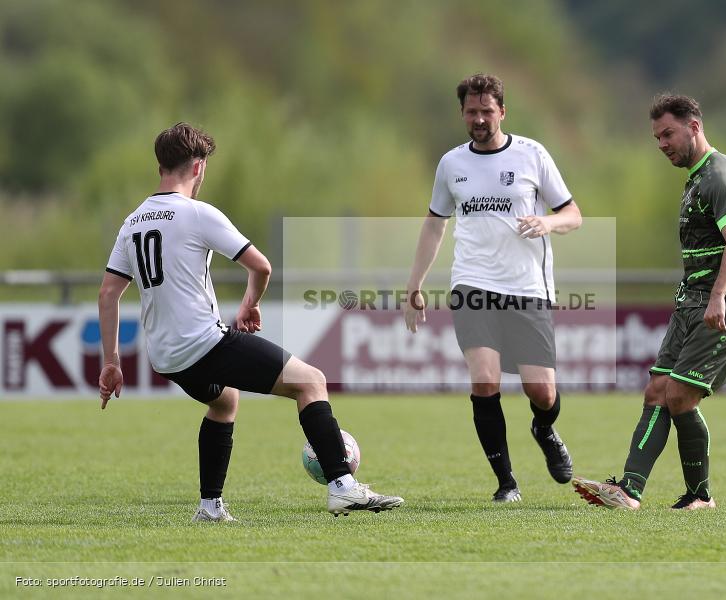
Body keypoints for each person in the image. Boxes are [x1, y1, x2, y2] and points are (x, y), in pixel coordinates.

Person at [98, 122, 403, 520]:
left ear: (161, 167)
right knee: (311, 381)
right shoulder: (196, 214)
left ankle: (210, 507)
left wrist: (111, 361)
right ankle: (342, 485)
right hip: (203, 342)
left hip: (166, 355)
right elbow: (260, 266)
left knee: (224, 400)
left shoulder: (132, 223)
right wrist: (249, 306)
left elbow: (108, 293)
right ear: (199, 167)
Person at [573, 94, 726, 510]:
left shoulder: (718, 176)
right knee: (657, 390)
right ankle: (628, 490)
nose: (661, 143)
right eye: (656, 137)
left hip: (721, 308)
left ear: (693, 127)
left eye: (668, 133)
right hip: (693, 302)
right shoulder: (705, 175)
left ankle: (700, 496)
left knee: (680, 395)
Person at [404, 73, 583, 503]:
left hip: (527, 289)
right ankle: (506, 483)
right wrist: (415, 284)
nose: (480, 118)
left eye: (487, 111)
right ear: (462, 113)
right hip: (472, 285)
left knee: (542, 392)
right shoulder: (451, 164)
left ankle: (543, 428)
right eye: (472, 111)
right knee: (484, 381)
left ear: (502, 111)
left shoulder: (532, 155)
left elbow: (573, 213)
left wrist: (548, 222)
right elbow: (434, 224)